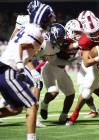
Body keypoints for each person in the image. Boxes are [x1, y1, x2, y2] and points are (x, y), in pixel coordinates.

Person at [0, 4, 55, 140]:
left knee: (15, 109)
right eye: (49, 18)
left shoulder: (28, 27)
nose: (51, 21)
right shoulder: (37, 33)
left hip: (5, 68)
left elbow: (23, 50)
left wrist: (31, 67)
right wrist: (19, 64)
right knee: (32, 104)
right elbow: (21, 46)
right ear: (44, 19)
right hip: (8, 70)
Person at [40, 23, 76, 124]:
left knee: (71, 94)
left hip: (61, 70)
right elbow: (53, 61)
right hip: (50, 68)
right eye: (59, 38)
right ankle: (44, 104)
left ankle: (63, 117)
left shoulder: (67, 40)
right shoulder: (48, 45)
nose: (62, 40)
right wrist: (69, 62)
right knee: (54, 91)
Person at [65, 18, 99, 118]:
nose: (79, 34)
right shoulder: (65, 39)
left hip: (90, 64)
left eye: (81, 32)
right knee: (83, 89)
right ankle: (93, 110)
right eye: (76, 32)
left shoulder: (86, 38)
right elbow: (66, 47)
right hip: (82, 65)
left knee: (95, 88)